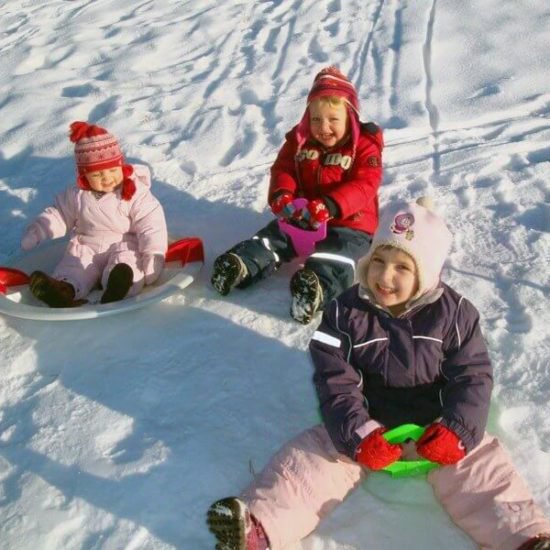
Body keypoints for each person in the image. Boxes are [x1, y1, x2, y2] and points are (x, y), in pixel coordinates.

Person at [206, 198, 550, 550]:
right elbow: (333, 378)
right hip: (367, 424)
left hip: (438, 426)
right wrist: (358, 433)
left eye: (403, 267)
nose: (385, 276)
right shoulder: (343, 312)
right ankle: (258, 528)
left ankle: (524, 539)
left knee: (485, 471)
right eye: (379, 261)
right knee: (312, 461)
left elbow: (472, 375)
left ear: (428, 272)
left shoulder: (456, 314)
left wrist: (458, 430)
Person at [210, 66, 383, 324]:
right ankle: (240, 266)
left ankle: (315, 290)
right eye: (316, 119)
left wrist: (331, 205)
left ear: (350, 116)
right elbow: (284, 169)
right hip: (303, 215)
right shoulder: (299, 141)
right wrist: (282, 194)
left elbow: (365, 184)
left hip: (349, 222)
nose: (323, 127)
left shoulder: (364, 146)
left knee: (336, 255)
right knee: (274, 238)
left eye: (333, 120)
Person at [21, 121, 168, 307]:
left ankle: (118, 286)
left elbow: (151, 222)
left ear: (121, 166)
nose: (107, 178)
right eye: (98, 175)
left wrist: (153, 253)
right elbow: (59, 215)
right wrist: (39, 229)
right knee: (74, 265)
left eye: (113, 170)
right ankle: (62, 290)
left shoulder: (133, 192)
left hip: (123, 243)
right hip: (87, 244)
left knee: (127, 262)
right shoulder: (76, 195)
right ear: (83, 175)